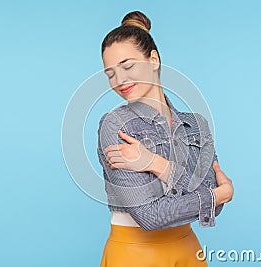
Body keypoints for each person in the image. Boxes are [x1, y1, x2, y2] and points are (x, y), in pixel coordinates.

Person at [97, 11, 234, 267]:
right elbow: (149, 217)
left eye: (128, 66)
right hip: (134, 254)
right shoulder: (115, 125)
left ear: (153, 59)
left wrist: (154, 163)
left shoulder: (196, 124)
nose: (120, 80)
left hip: (189, 251)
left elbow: (212, 208)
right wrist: (219, 194)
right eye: (110, 73)